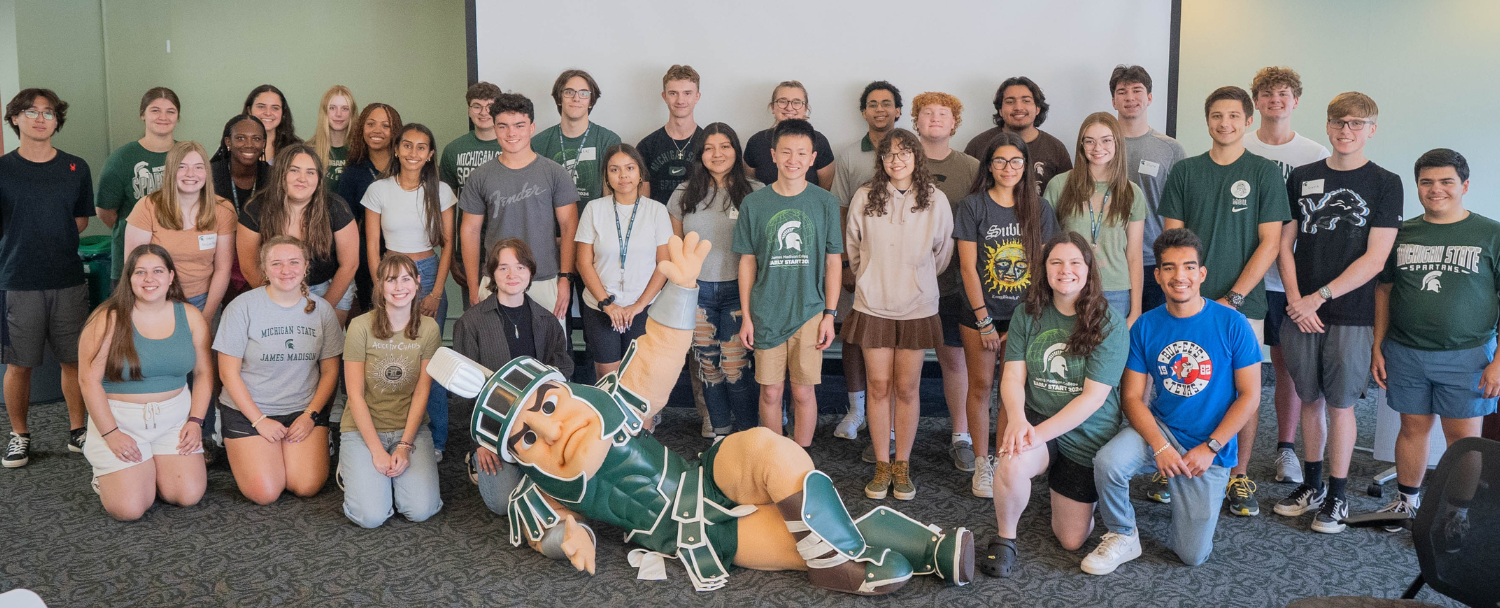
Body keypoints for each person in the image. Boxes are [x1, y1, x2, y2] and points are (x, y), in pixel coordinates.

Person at [429, 233, 974, 595]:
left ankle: (838, 557)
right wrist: (567, 539)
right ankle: (928, 547)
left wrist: (683, 286)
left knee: (767, 446)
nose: (549, 430)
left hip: (706, 474)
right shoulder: (539, 487)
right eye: (525, 437)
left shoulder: (611, 402)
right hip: (692, 531)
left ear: (562, 390)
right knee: (796, 543)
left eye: (546, 407)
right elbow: (545, 529)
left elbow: (660, 352)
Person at [1082, 228, 1262, 574]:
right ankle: (1123, 532)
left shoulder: (1232, 323)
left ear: (1201, 273)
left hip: (1209, 444)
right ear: (1158, 274)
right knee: (1108, 462)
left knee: (1192, 556)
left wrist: (1211, 447)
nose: (1180, 276)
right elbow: (1132, 397)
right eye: (1169, 268)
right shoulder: (1146, 326)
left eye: (1189, 267)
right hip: (1162, 430)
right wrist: (1160, 445)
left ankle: (1185, 491)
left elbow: (1250, 395)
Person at [1271, 93, 1402, 533]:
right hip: (1300, 312)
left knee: (1341, 405)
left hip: (1350, 314)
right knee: (1309, 398)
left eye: (1356, 123)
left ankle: (1339, 496)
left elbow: (1376, 258)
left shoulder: (1386, 182)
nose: (1346, 130)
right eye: (1338, 122)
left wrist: (1317, 297)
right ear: (1327, 126)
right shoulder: (1303, 177)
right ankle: (1312, 486)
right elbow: (1283, 245)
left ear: (1371, 130)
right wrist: (1295, 301)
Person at [1159, 86, 1290, 515]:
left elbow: (1270, 242)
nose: (1225, 123)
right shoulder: (1185, 172)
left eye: (1234, 116)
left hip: (1243, 306)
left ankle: (1239, 475)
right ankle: (1172, 470)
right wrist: (1194, 294)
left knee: (1241, 391)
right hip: (1186, 302)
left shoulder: (1264, 172)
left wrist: (1232, 298)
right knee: (1182, 382)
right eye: (1217, 115)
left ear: (1248, 121)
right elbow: (1172, 243)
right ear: (1207, 120)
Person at [1361, 149, 1500, 534]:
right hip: (1406, 351)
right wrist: (1378, 343)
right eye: (1426, 182)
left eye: (1445, 182)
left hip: (1468, 356)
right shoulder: (1401, 233)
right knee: (1412, 428)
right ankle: (1407, 502)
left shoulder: (1491, 233)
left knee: (1464, 439)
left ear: (1464, 186)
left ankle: (1458, 512)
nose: (1435, 189)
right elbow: (1384, 291)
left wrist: (1498, 362)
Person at [983, 232, 1128, 577]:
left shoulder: (1109, 322)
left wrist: (1032, 434)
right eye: (1056, 263)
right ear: (1044, 270)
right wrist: (1018, 421)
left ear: (1088, 270)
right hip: (1038, 420)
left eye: (1075, 263)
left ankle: (1069, 492)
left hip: (1087, 432)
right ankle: (1005, 539)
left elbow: (1093, 399)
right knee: (1010, 462)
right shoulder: (1027, 314)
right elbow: (1013, 378)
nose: (1066, 270)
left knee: (1071, 540)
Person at [844, 128, 954, 501]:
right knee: (878, 386)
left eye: (904, 152)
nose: (896, 160)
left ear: (917, 156)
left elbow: (941, 255)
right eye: (889, 154)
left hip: (917, 306)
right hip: (873, 304)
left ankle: (902, 465)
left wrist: (915, 280)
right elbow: (855, 252)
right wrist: (875, 277)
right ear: (881, 160)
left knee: (906, 388)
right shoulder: (864, 196)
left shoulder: (935, 200)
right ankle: (881, 463)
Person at [953, 132, 1059, 497]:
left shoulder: (1040, 209)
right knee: (981, 387)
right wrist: (984, 321)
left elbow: (1044, 268)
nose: (1008, 168)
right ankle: (981, 463)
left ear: (1026, 167)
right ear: (989, 166)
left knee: (1010, 389)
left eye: (1016, 161)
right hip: (980, 314)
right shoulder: (972, 206)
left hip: (1024, 316)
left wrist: (1021, 322)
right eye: (1000, 161)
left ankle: (1002, 459)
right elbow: (967, 269)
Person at [1242, 67, 1333, 488]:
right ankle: (1232, 454)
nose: (1274, 99)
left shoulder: (1316, 153)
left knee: (1287, 369)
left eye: (1283, 93)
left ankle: (1285, 449)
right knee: (1235, 369)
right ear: (1255, 101)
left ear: (1295, 101)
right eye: (1266, 93)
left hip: (1290, 282)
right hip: (1243, 278)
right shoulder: (1237, 144)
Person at [77, 244, 212, 520]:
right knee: (129, 509)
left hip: (174, 420)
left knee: (188, 495)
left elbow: (204, 374)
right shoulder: (107, 318)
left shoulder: (190, 316)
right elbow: (88, 381)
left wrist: (195, 421)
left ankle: (150, 468)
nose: (149, 279)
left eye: (157, 271)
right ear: (128, 278)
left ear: (171, 277)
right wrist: (111, 434)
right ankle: (113, 473)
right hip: (121, 422)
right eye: (140, 272)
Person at [733, 119, 843, 448]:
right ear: (774, 156)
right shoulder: (754, 204)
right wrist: (747, 316)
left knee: (803, 390)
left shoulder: (825, 203)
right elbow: (747, 261)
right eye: (786, 152)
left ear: (812, 158)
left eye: (801, 153)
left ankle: (801, 461)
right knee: (770, 391)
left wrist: (829, 315)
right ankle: (774, 459)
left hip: (810, 311)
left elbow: (833, 260)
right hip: (766, 312)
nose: (793, 159)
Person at [1, 88, 94, 468]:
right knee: (18, 365)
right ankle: (19, 435)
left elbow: (81, 219)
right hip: (17, 280)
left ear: (57, 121)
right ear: (15, 119)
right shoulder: (3, 169)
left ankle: (78, 430)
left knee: (74, 361)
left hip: (67, 278)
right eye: (31, 111)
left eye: (49, 112)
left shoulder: (76, 167)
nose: (41, 118)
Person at [215, 237, 344, 504]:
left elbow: (331, 371)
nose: (286, 270)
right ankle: (247, 448)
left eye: (294, 262)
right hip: (250, 411)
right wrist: (259, 420)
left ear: (306, 266)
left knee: (306, 486)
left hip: (302, 411)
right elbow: (228, 373)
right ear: (264, 268)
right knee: (265, 493)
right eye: (277, 263)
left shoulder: (322, 310)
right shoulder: (242, 307)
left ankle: (302, 445)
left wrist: (310, 415)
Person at [450, 239, 573, 514]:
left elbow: (563, 373)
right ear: (492, 274)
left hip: (539, 428)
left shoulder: (547, 321)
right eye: (503, 268)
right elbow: (462, 393)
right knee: (502, 504)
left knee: (570, 489)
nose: (511, 275)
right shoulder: (471, 323)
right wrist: (479, 443)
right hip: (493, 432)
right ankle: (475, 462)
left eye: (519, 267)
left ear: (530, 272)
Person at [360, 123, 456, 459]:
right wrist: (380, 285)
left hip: (428, 272)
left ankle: (438, 440)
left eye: (421, 147)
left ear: (430, 154)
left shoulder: (441, 191)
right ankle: (392, 431)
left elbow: (447, 246)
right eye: (407, 146)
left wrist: (436, 292)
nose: (413, 153)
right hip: (390, 272)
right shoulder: (379, 190)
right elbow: (372, 246)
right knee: (392, 356)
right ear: (397, 150)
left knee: (430, 360)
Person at [669, 123, 763, 436]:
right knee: (708, 367)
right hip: (698, 293)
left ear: (736, 151)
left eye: (725, 146)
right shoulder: (684, 193)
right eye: (709, 147)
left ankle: (750, 436)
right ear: (700, 154)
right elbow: (674, 247)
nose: (717, 154)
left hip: (739, 292)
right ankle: (720, 439)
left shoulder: (755, 191)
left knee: (735, 368)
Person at [338, 252, 443, 528]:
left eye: (406, 279)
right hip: (364, 428)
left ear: (418, 283)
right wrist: (376, 451)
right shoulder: (360, 326)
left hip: (410, 428)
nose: (399, 287)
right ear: (380, 286)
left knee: (421, 510)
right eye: (391, 280)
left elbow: (422, 392)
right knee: (370, 517)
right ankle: (351, 467)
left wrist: (405, 447)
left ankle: (387, 478)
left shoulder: (429, 328)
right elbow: (355, 394)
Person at [458, 93, 579, 322]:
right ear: (494, 128)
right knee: (494, 352)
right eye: (503, 126)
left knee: (546, 354)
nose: (511, 133)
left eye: (519, 125)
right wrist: (474, 285)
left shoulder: (554, 173)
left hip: (544, 279)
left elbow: (569, 227)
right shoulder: (480, 177)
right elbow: (470, 231)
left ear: (532, 127)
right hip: (495, 279)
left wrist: (565, 279)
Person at [911, 92, 981, 471]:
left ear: (954, 123)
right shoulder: (900, 159)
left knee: (954, 362)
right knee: (899, 364)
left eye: (943, 114)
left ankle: (961, 436)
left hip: (954, 283)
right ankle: (889, 435)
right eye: (926, 113)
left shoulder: (970, 167)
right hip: (906, 283)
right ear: (915, 121)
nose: (935, 119)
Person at [828, 81, 901, 444]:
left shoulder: (908, 151)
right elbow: (839, 210)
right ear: (863, 112)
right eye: (872, 104)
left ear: (898, 111)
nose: (880, 110)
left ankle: (890, 416)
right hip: (859, 266)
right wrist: (843, 263)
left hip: (900, 274)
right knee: (855, 337)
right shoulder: (848, 156)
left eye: (887, 104)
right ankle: (857, 409)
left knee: (894, 342)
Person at [575, 144, 672, 379]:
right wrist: (607, 304)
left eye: (629, 168)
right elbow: (583, 263)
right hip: (600, 307)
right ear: (607, 177)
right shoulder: (594, 209)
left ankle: (644, 417)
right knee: (608, 378)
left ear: (640, 174)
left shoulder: (656, 211)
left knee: (640, 378)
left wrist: (638, 306)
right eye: (614, 170)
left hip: (645, 307)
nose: (623, 175)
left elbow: (664, 264)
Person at [237, 143, 360, 322]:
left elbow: (349, 264)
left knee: (326, 348)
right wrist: (277, 301)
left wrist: (322, 309)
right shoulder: (255, 209)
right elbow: (249, 267)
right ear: (280, 174)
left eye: (310, 172)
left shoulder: (336, 207)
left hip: (329, 288)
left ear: (318, 178)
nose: (302, 178)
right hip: (274, 288)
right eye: (294, 170)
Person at [1042, 112, 1146, 322]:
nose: (1098, 148)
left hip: (1115, 292)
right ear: (1081, 145)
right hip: (1068, 287)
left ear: (1117, 143)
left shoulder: (1131, 192)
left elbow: (1134, 256)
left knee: (1109, 354)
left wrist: (1136, 310)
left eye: (1106, 140)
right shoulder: (1059, 185)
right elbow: (1045, 246)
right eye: (1090, 141)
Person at [123, 141, 238, 318]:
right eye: (182, 167)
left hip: (204, 301)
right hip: (155, 298)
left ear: (207, 172)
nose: (190, 174)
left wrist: (206, 316)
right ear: (170, 171)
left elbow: (223, 269)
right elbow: (134, 267)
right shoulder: (147, 207)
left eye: (198, 167)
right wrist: (151, 307)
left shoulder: (223, 209)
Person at [1109, 65, 1186, 313]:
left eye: (1137, 90)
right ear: (1113, 101)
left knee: (1155, 336)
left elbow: (1182, 208)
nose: (1130, 98)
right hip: (1110, 259)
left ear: (1150, 98)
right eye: (1122, 92)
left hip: (1154, 259)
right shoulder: (1098, 145)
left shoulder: (1170, 149)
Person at [96, 87, 178, 284]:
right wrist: (136, 231)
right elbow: (105, 211)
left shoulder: (186, 155)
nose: (163, 117)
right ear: (143, 114)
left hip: (176, 260)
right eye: (155, 110)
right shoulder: (122, 158)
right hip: (133, 262)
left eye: (170, 111)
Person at [440, 82, 503, 309]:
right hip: (469, 245)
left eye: (490, 106)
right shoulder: (454, 150)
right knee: (475, 312)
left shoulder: (513, 145)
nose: (483, 112)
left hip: (505, 241)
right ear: (468, 109)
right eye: (476, 106)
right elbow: (447, 206)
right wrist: (452, 253)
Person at [339, 103, 402, 313]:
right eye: (371, 124)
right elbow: (345, 223)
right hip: (367, 259)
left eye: (386, 125)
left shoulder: (406, 166)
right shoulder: (353, 172)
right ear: (361, 129)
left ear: (396, 132)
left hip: (406, 252)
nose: (377, 130)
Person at [964, 77, 1073, 195]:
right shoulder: (978, 145)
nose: (1018, 108)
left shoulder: (1056, 148)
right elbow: (966, 191)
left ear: (1037, 108)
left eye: (1026, 101)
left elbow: (1066, 197)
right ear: (1000, 110)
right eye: (1010, 102)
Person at [532, 69, 623, 204]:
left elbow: (613, 194)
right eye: (569, 92)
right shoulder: (538, 143)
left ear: (591, 102)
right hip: (551, 223)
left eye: (584, 93)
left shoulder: (609, 141)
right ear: (559, 99)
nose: (576, 98)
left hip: (594, 223)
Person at [210, 115, 273, 301]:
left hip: (260, 263)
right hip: (216, 263)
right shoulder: (209, 174)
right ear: (228, 142)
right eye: (240, 138)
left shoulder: (274, 176)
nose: (249, 144)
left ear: (263, 143)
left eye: (256, 138)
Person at [743, 81, 836, 188]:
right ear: (773, 107)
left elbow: (826, 188)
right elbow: (750, 185)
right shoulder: (756, 142)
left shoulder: (819, 141)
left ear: (805, 108)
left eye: (797, 102)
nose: (789, 107)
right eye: (782, 101)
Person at [637, 65, 703, 199]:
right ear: (664, 96)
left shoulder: (709, 144)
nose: (680, 100)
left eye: (687, 93)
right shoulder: (646, 147)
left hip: (698, 219)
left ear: (697, 97)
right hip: (657, 220)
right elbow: (643, 202)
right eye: (673, 93)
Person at [309, 85, 357, 192]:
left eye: (345, 108)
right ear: (324, 112)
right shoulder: (308, 151)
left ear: (352, 114)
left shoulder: (361, 151)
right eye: (332, 108)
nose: (338, 114)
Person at [242, 84, 299, 164]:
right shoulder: (232, 146)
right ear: (249, 111)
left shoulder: (296, 149)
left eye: (275, 108)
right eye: (261, 107)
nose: (268, 113)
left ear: (283, 113)